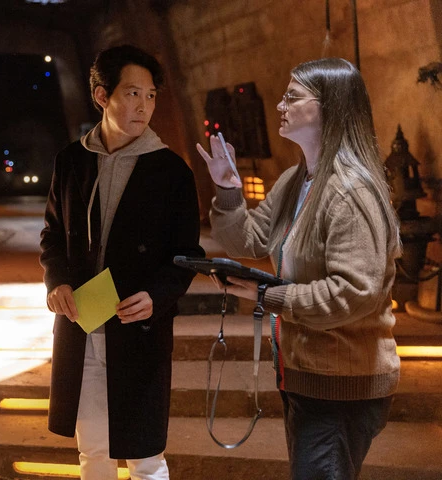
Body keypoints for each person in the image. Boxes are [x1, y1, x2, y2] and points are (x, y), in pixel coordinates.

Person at [196, 57, 401, 479]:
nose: (280, 105)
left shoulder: (349, 192)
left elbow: (353, 292)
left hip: (342, 385)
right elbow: (248, 240)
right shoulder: (297, 179)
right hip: (304, 374)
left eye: (292, 97)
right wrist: (228, 189)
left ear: (329, 107)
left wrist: (268, 295)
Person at [40, 45, 204, 480]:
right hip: (81, 323)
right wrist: (56, 282)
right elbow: (53, 235)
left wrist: (157, 297)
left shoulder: (172, 171)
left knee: (145, 456)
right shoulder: (71, 162)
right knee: (92, 450)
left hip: (137, 325)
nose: (144, 106)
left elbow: (187, 255)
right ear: (102, 96)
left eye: (150, 96)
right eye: (132, 94)